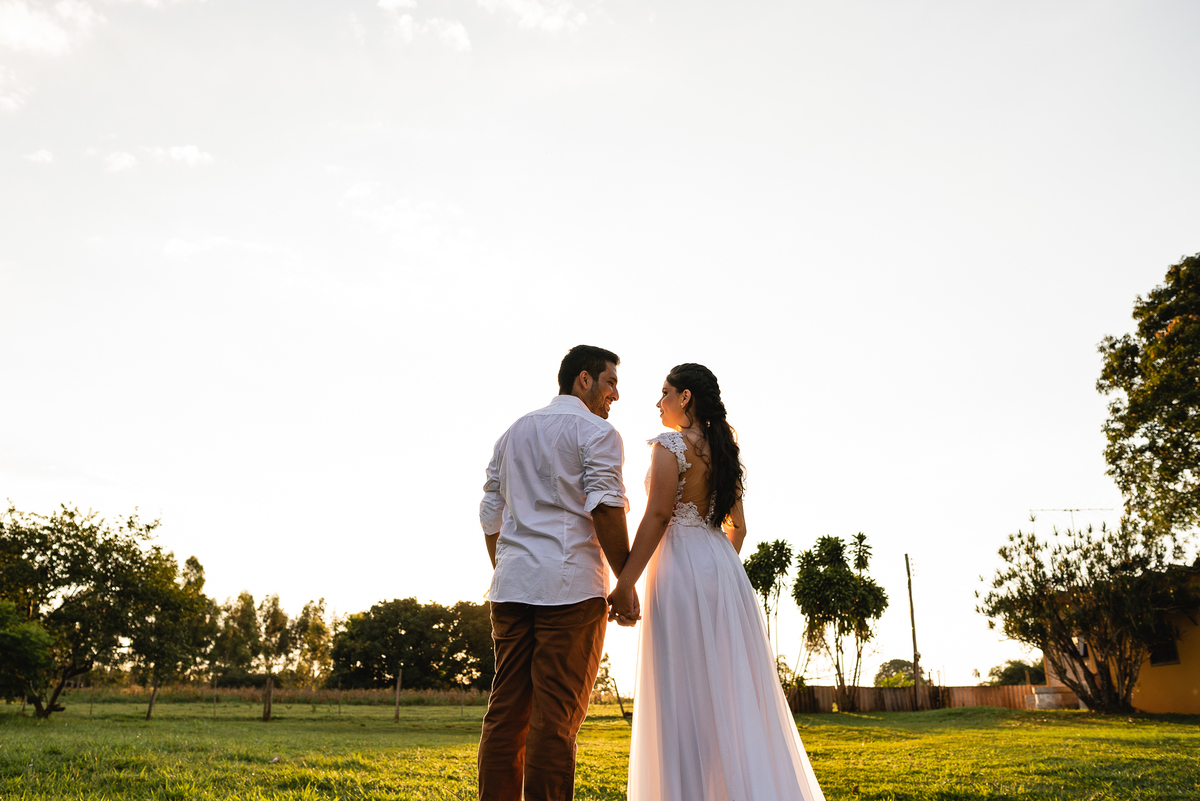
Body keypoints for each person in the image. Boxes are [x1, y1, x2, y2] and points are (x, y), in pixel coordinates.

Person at [608, 363, 826, 801]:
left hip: (681, 569)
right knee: (728, 689)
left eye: (665, 392)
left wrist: (626, 581)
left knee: (684, 695)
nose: (659, 402)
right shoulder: (724, 448)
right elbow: (738, 528)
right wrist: (716, 571)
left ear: (685, 397)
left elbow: (658, 514)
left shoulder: (670, 445)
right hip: (723, 570)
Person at [477, 344, 640, 801]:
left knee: (505, 714)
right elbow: (606, 509)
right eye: (610, 383)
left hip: (510, 590)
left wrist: (509, 563)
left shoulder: (513, 432)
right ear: (583, 380)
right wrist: (625, 582)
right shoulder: (598, 433)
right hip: (570, 592)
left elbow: (491, 511)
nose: (616, 395)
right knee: (555, 720)